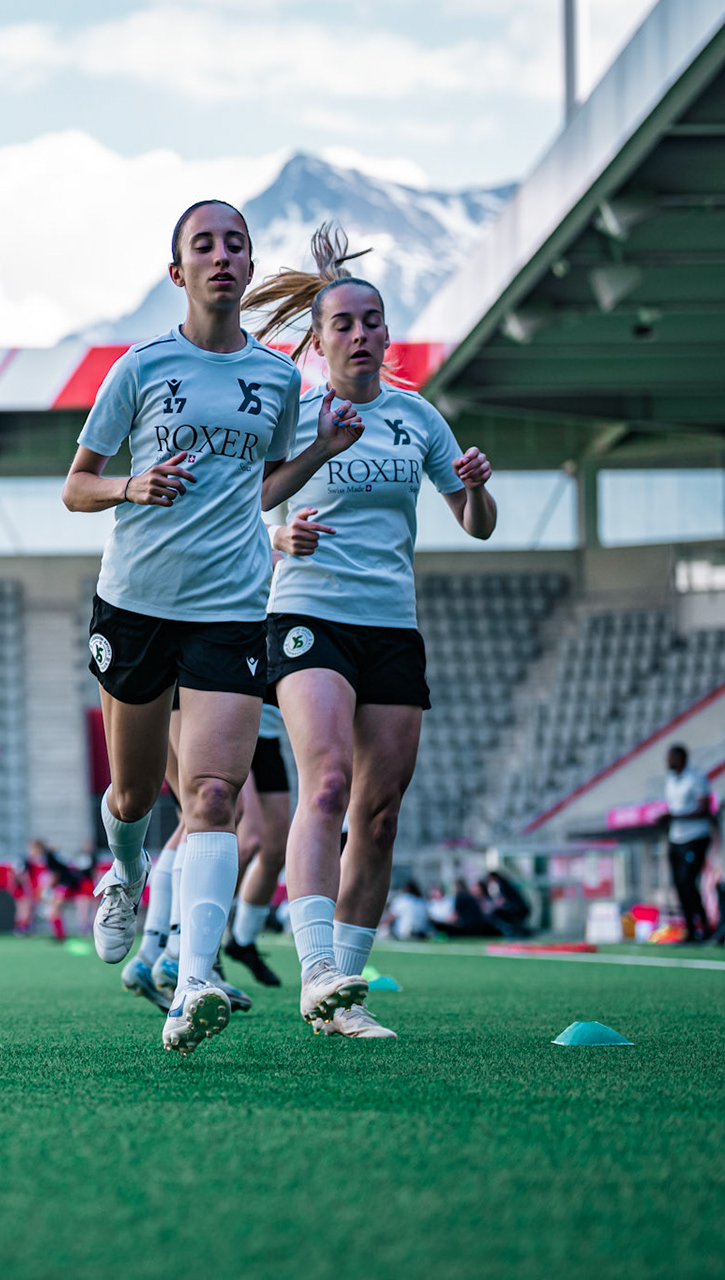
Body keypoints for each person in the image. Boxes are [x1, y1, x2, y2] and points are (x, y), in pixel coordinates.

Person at [63, 199, 361, 1056]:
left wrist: (318, 454)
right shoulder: (141, 367)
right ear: (178, 272)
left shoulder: (274, 379)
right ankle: (124, 874)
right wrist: (132, 485)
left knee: (215, 798)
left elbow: (256, 490)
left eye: (236, 244)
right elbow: (77, 485)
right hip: (135, 601)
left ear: (248, 264)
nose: (222, 257)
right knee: (131, 797)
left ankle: (194, 978)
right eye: (205, 245)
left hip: (230, 606)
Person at [249, 223, 496, 1039]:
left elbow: (476, 523)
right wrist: (288, 527)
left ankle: (343, 992)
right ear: (318, 343)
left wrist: (473, 489)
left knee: (380, 813)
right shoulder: (292, 410)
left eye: (373, 321)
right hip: (308, 614)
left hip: (391, 623)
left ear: (387, 333)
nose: (361, 334)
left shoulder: (418, 417)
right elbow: (250, 504)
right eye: (343, 325)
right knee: (324, 785)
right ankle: (313, 967)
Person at [225, 702, 291, 987]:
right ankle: (202, 941)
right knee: (247, 841)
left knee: (276, 851)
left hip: (270, 736)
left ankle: (243, 941)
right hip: (234, 725)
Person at [662, 743, 715, 943]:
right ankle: (691, 929)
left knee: (689, 882)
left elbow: (704, 808)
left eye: (670, 757)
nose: (667, 762)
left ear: (681, 758)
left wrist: (676, 816)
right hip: (676, 838)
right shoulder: (670, 781)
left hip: (695, 836)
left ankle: (705, 925)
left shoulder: (696, 779)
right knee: (679, 885)